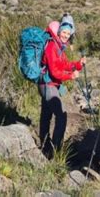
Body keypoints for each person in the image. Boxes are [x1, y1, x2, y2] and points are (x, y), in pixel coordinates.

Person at [39, 14, 86, 156]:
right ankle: (55, 150)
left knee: (46, 115)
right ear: (59, 32)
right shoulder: (52, 46)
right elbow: (54, 71)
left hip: (48, 84)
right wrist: (70, 76)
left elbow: (64, 64)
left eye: (68, 33)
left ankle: (45, 148)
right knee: (61, 115)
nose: (66, 35)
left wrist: (78, 65)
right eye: (64, 32)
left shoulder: (59, 46)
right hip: (48, 84)